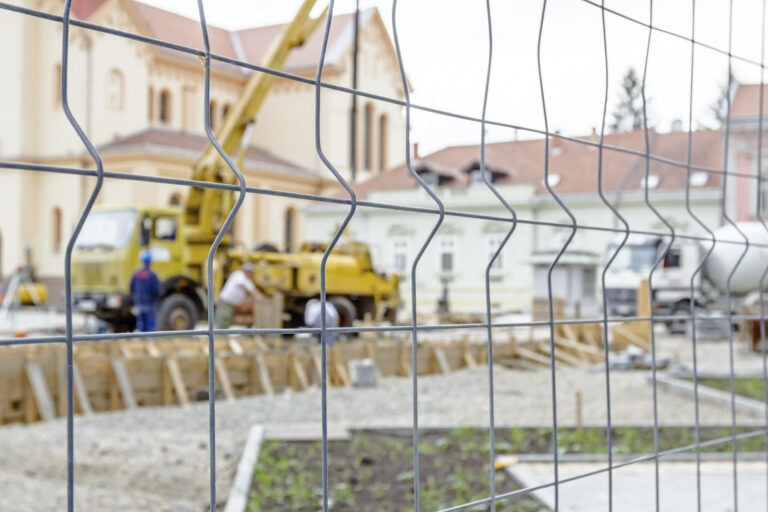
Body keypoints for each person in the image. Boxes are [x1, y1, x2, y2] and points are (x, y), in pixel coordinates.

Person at [216, 262, 265, 329]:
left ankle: (222, 336)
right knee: (224, 318)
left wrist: (261, 297)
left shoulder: (248, 280)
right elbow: (245, 287)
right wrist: (257, 296)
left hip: (231, 304)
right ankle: (219, 337)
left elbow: (253, 290)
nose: (251, 274)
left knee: (228, 320)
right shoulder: (239, 275)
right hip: (226, 302)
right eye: (250, 272)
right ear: (247, 271)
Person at [130, 250, 161, 332]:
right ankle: (149, 343)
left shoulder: (136, 273)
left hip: (139, 305)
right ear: (150, 261)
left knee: (141, 327)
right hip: (150, 306)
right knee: (150, 328)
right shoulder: (152, 275)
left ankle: (142, 343)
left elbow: (131, 288)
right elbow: (158, 290)